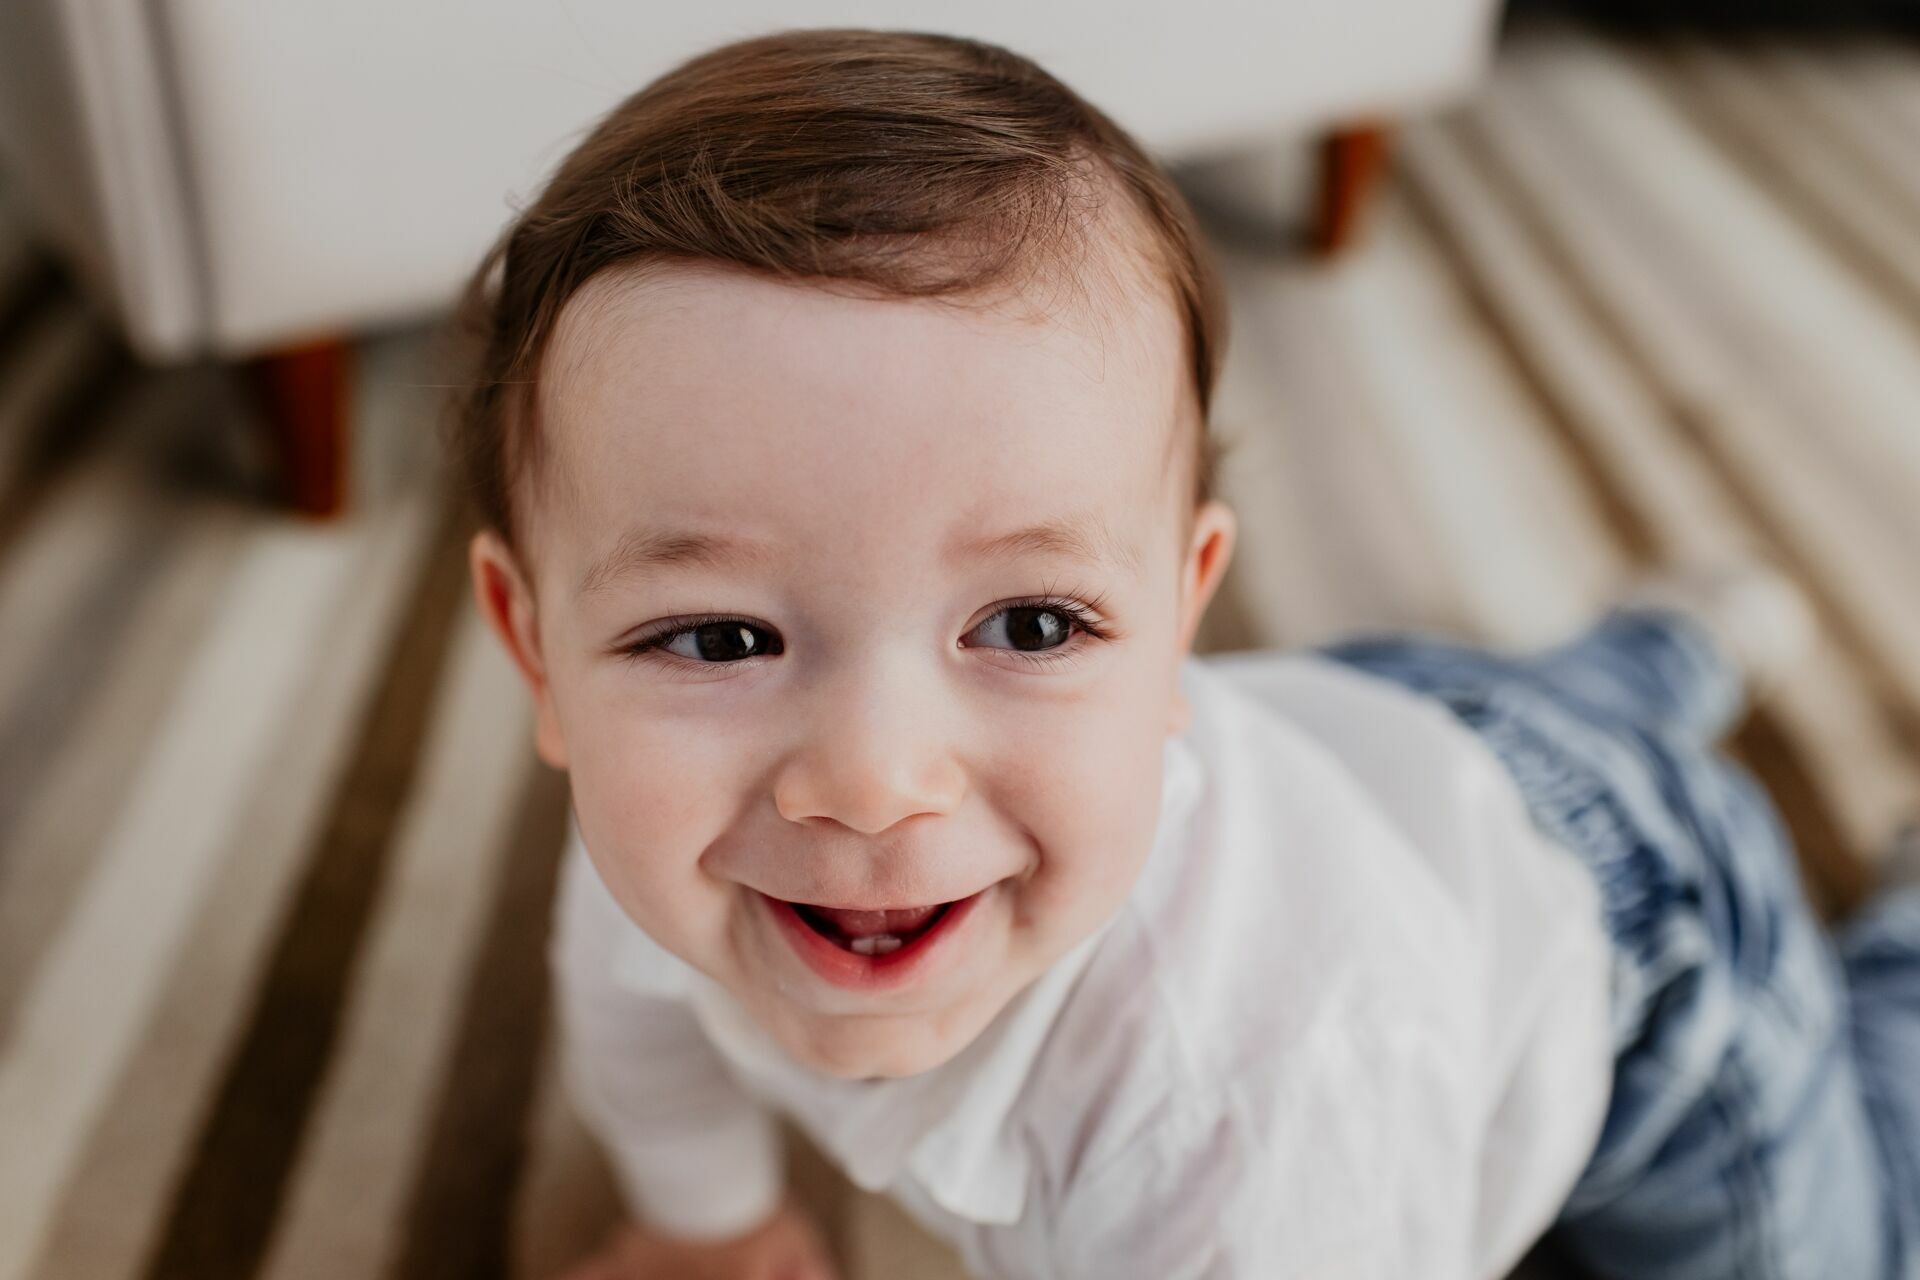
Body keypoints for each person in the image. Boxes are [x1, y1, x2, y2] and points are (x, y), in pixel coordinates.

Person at [449, 27, 1920, 1280]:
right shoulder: (668, 859)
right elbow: (639, 1027)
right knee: (1541, 727)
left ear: (1179, 616)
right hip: (1381, 733)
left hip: (1643, 963)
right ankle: (1666, 652)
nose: (871, 781)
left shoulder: (1246, 1129)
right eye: (719, 637)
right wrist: (709, 1229)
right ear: (537, 650)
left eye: (1032, 623)